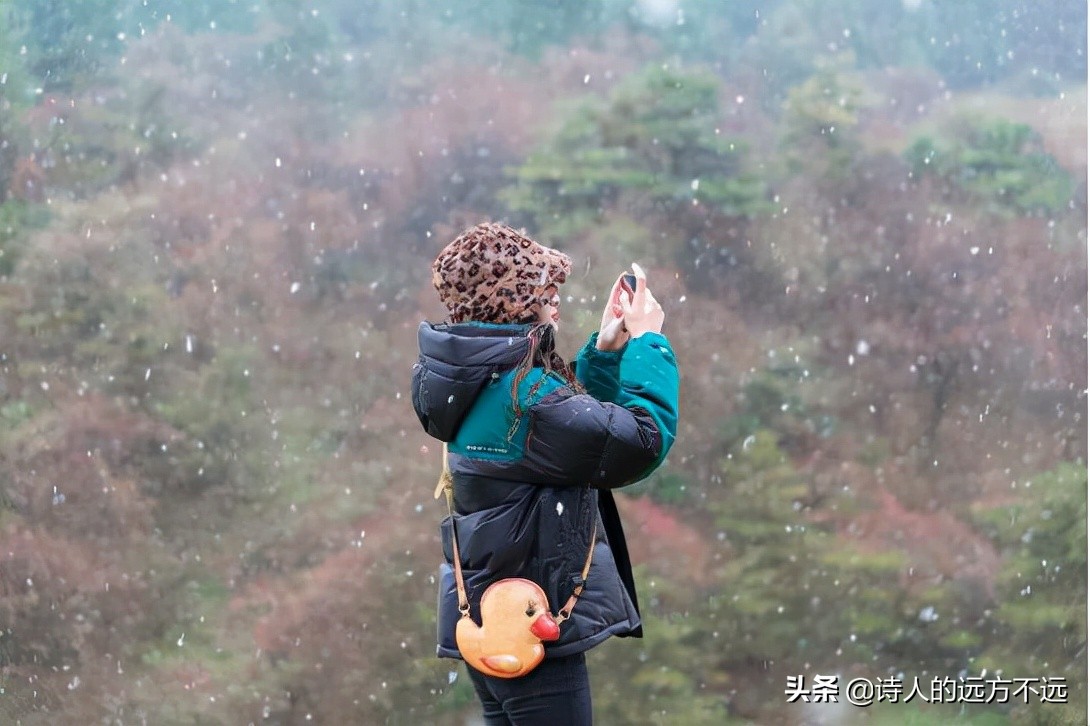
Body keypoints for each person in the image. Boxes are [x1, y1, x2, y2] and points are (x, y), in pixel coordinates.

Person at [411, 222, 679, 725]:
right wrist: (649, 342)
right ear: (514, 303)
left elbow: (574, 435)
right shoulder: (525, 397)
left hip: (488, 621)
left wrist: (604, 353)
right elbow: (638, 442)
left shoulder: (471, 381)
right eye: (546, 292)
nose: (556, 303)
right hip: (531, 632)